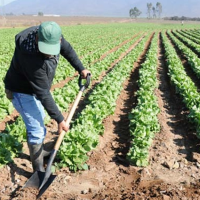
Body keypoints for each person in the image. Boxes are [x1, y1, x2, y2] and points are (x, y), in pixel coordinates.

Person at [4, 21, 91, 172]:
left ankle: (40, 151)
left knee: (40, 120)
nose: (49, 54)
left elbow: (68, 50)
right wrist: (59, 119)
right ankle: (38, 171)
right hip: (20, 91)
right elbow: (43, 92)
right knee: (37, 129)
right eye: (46, 50)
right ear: (37, 38)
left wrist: (81, 68)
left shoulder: (53, 35)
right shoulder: (29, 56)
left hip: (33, 89)